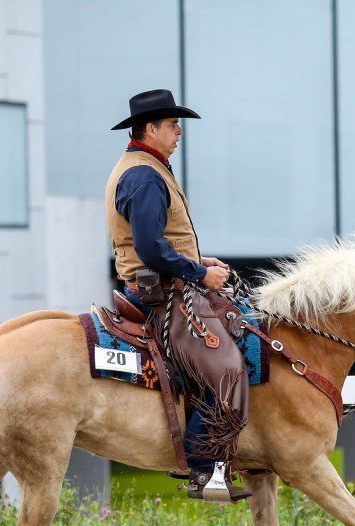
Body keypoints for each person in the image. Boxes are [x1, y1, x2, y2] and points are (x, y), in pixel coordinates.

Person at [104, 89, 250, 501]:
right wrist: (201, 273)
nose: (179, 132)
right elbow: (149, 249)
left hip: (166, 285)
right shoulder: (144, 175)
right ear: (150, 129)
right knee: (228, 367)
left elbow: (155, 242)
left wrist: (197, 260)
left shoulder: (144, 168)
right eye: (172, 125)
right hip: (162, 296)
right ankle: (206, 471)